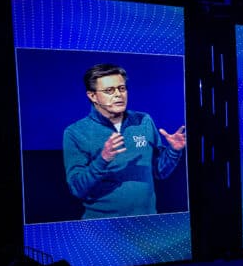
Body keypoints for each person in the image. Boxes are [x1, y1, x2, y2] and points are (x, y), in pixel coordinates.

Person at [63, 63, 186, 219]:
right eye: (109, 90)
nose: (118, 94)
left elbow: (159, 171)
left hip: (146, 222)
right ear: (92, 96)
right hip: (102, 227)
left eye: (122, 88)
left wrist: (174, 151)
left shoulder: (143, 121)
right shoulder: (75, 132)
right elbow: (77, 188)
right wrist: (103, 160)